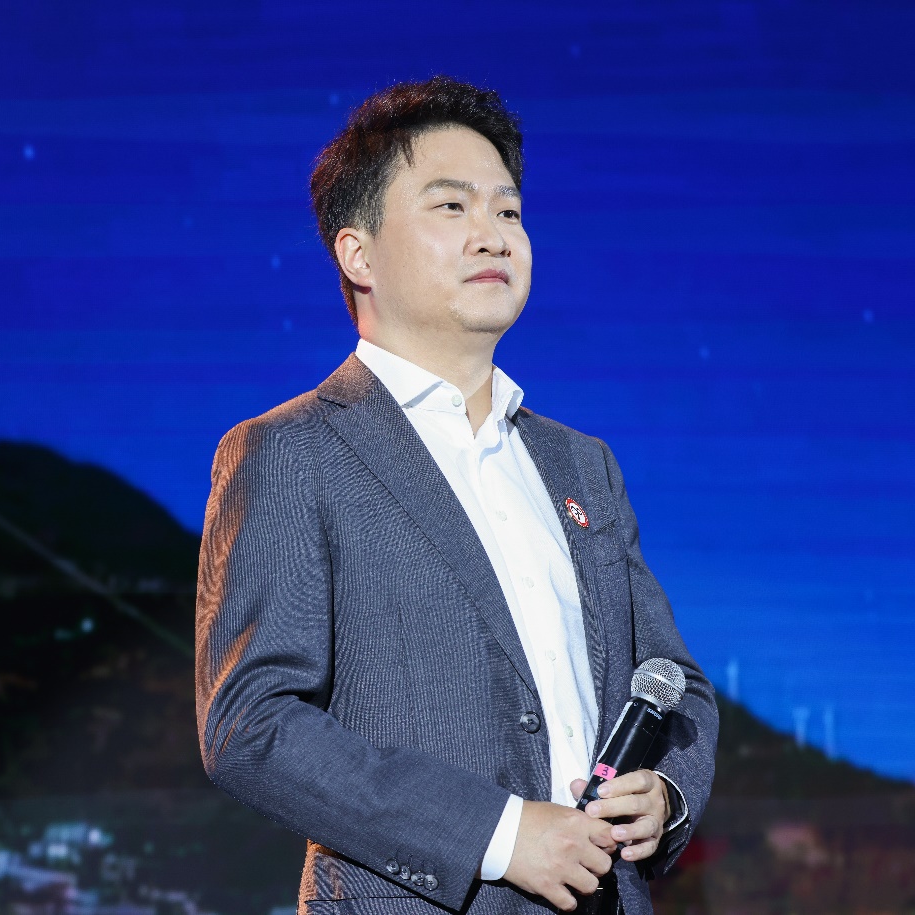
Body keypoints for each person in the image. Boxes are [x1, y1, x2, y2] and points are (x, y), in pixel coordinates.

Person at [195, 76, 717, 915]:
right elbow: (251, 723)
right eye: (451, 207)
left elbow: (673, 681)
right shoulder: (290, 451)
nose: (493, 234)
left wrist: (666, 794)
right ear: (358, 254)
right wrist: (500, 834)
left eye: (509, 211)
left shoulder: (583, 466)